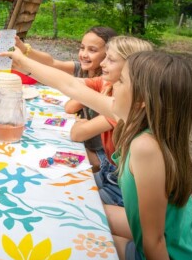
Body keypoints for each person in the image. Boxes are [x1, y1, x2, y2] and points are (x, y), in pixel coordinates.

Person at [1, 49, 192, 260]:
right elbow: (70, 86)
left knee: (72, 245)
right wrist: (22, 61)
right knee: (72, 211)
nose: (113, 84)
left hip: (171, 258)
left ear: (142, 100)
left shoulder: (146, 147)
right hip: (168, 234)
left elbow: (154, 240)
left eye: (122, 81)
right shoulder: (133, 117)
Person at [70, 36, 153, 206]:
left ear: (131, 68)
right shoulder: (110, 86)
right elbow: (70, 89)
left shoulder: (127, 106)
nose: (102, 64)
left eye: (111, 59)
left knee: (75, 200)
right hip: (111, 170)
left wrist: (84, 119)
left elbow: (78, 134)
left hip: (119, 184)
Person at [16, 26, 117, 162]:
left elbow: (70, 106)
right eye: (82, 48)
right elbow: (52, 63)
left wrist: (22, 63)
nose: (84, 54)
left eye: (92, 50)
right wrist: (24, 49)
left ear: (108, 55)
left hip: (98, 152)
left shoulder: (107, 83)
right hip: (85, 141)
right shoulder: (81, 69)